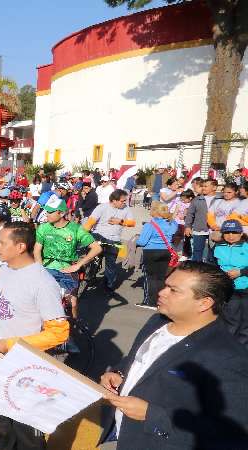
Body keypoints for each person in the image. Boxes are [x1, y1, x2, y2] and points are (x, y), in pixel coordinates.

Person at [98, 262, 248, 449]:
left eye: (173, 290)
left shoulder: (229, 357)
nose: (161, 293)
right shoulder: (157, 321)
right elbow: (139, 358)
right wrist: (120, 373)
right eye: (166, 285)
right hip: (128, 437)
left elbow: (232, 435)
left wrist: (151, 415)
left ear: (204, 303)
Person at [0, 221, 70, 450]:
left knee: (26, 431)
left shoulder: (42, 282)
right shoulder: (6, 270)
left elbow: (59, 333)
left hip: (24, 368)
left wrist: (9, 344)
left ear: (20, 247)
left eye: (1, 242)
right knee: (2, 420)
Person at [34, 197, 102, 318]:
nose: (46, 214)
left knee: (73, 303)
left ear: (61, 213)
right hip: (47, 269)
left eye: (50, 212)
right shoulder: (43, 228)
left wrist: (79, 264)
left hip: (68, 271)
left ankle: (74, 326)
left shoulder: (75, 229)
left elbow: (97, 248)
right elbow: (37, 250)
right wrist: (40, 269)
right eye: (46, 211)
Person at [84, 189, 135, 291]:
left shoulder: (126, 209)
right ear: (114, 200)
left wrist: (120, 221)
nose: (124, 203)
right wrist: (83, 236)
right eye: (122, 201)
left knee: (111, 265)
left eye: (125, 201)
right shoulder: (102, 207)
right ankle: (90, 278)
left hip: (114, 240)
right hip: (99, 236)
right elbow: (90, 223)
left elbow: (132, 223)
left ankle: (109, 286)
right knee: (93, 260)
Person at [135, 203, 179, 309]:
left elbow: (142, 242)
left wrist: (136, 239)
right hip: (166, 252)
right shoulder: (172, 224)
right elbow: (173, 226)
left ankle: (149, 302)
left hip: (151, 251)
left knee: (149, 277)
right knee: (161, 278)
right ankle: (160, 302)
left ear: (155, 211)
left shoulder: (150, 225)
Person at [213, 219, 248, 347]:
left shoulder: (246, 246)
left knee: (245, 321)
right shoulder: (218, 247)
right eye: (227, 232)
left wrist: (241, 272)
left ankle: (243, 348)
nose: (231, 235)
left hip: (245, 289)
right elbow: (213, 265)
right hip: (228, 289)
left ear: (241, 233)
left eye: (234, 232)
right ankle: (228, 347)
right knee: (230, 319)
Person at [185, 178, 217, 262]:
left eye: (206, 186)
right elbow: (190, 214)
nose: (203, 188)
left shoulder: (220, 199)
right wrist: (188, 226)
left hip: (215, 230)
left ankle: (211, 272)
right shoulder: (197, 199)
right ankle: (196, 271)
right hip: (199, 229)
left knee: (213, 253)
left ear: (214, 187)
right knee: (197, 252)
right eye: (202, 186)